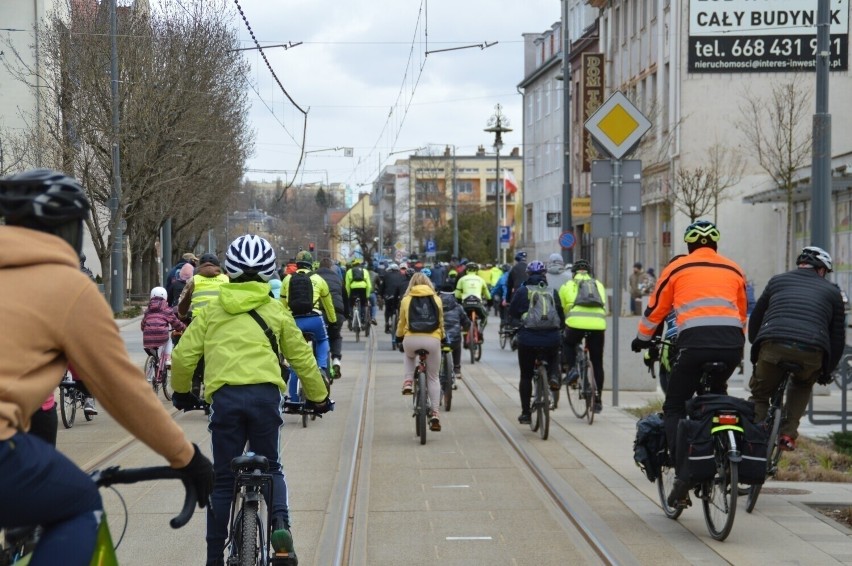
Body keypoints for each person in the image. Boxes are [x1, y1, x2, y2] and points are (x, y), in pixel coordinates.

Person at [0, 168, 213, 566]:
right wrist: (186, 458)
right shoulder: (68, 287)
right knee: (80, 501)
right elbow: (123, 391)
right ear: (69, 230)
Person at [171, 234, 332, 566]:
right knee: (271, 467)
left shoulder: (213, 310)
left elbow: (185, 357)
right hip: (264, 398)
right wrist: (318, 397)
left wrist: (183, 392)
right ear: (269, 272)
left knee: (224, 480)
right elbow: (302, 358)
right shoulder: (276, 310)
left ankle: (214, 558)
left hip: (226, 399)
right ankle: (281, 535)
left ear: (230, 269)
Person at [630, 219, 747, 509]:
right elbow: (742, 313)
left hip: (694, 345)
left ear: (689, 245)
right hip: (731, 345)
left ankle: (683, 475)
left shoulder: (677, 268)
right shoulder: (734, 268)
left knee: (674, 406)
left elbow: (656, 309)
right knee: (717, 398)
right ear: (715, 245)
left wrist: (642, 339)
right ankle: (722, 451)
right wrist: (735, 345)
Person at [748, 246, 845, 451]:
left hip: (773, 345)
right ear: (821, 270)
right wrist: (827, 371)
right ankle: (787, 434)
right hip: (811, 351)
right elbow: (837, 338)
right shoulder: (833, 292)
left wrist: (755, 346)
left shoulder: (777, 281)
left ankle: (754, 434)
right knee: (802, 384)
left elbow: (757, 316)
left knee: (760, 394)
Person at [509, 261, 565, 424]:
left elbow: (512, 312)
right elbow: (560, 315)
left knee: (526, 375)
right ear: (544, 275)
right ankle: (554, 376)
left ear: (528, 275)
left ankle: (526, 413)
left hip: (528, 338)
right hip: (551, 337)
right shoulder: (552, 291)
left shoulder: (522, 291)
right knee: (554, 355)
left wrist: (514, 325)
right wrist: (559, 329)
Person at [280, 250, 336, 402]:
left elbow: (282, 306)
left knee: (294, 362)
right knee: (323, 340)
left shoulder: (287, 279)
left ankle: (294, 399)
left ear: (296, 264)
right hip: (314, 319)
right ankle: (322, 369)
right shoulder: (318, 279)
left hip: (294, 321)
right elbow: (328, 303)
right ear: (312, 264)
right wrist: (332, 319)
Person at [396, 272, 445, 431]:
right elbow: (441, 322)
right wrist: (441, 337)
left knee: (409, 355)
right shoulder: (436, 299)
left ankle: (408, 381)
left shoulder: (406, 299)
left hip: (411, 339)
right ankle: (436, 413)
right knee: (433, 377)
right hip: (432, 340)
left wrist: (399, 337)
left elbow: (402, 322)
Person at [559, 258, 608, 413]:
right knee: (597, 361)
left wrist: (564, 323)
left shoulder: (568, 285)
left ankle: (573, 368)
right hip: (598, 325)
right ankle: (598, 399)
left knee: (567, 342)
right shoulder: (598, 285)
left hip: (575, 324)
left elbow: (562, 307)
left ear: (573, 273)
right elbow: (604, 305)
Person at [141, 286, 186, 377]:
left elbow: (143, 323)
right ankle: (168, 359)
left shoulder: (148, 310)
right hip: (162, 334)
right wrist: (183, 328)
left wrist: (144, 329)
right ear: (165, 297)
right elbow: (175, 322)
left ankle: (152, 365)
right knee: (168, 340)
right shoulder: (166, 310)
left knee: (152, 347)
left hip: (148, 335)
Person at [316, 257, 346, 379]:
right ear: (331, 268)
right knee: (335, 336)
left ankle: (318, 365)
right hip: (337, 312)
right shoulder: (338, 279)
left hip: (318, 312)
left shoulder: (313, 277)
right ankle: (336, 361)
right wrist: (346, 315)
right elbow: (345, 298)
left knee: (318, 338)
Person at [177, 252, 229, 320]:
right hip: (221, 321)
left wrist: (182, 316)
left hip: (199, 322)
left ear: (200, 267)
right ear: (218, 266)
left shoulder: (194, 280)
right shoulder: (226, 279)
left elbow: (183, 306)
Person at [438, 281, 470, 383]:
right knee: (457, 344)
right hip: (454, 339)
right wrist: (465, 329)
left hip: (438, 338)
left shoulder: (435, 305)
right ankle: (457, 369)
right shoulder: (458, 307)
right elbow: (467, 323)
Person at [454, 262, 491, 338]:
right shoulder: (481, 280)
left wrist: (462, 296)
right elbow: (487, 295)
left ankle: (465, 334)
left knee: (462, 319)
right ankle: (480, 332)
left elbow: (457, 295)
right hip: (477, 303)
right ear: (476, 271)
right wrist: (490, 301)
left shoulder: (462, 279)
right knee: (484, 317)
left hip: (465, 303)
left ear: (466, 270)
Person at [345, 257, 374, 334]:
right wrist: (367, 296)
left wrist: (348, 295)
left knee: (351, 305)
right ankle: (363, 320)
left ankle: (350, 319)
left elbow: (347, 285)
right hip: (363, 289)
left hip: (353, 289)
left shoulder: (349, 271)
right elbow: (369, 285)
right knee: (364, 305)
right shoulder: (365, 271)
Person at [381, 262, 408, 334]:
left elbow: (382, 287)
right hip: (399, 296)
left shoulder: (386, 275)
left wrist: (381, 295)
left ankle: (387, 323)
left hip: (388, 296)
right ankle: (399, 322)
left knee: (387, 309)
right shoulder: (402, 275)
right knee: (399, 309)